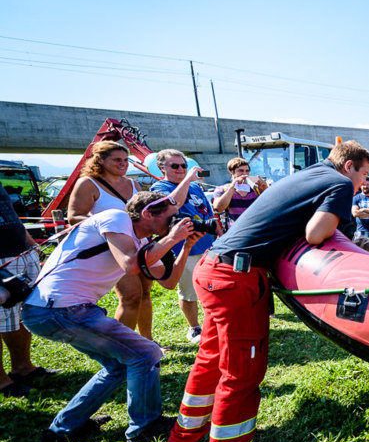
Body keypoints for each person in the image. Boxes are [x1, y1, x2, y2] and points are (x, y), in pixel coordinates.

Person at [164, 141, 369, 442]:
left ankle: (185, 438)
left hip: (214, 268)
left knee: (210, 359)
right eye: (364, 175)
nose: (362, 184)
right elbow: (315, 233)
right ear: (350, 166)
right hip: (237, 279)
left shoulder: (305, 175)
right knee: (241, 375)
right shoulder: (338, 184)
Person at [22, 192, 200, 442]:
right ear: (148, 213)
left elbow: (169, 281)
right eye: (171, 218)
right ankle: (146, 426)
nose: (176, 222)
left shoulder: (139, 242)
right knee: (146, 354)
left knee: (118, 366)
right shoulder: (116, 218)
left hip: (54, 311)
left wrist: (187, 245)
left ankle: (62, 430)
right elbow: (130, 265)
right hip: (61, 308)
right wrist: (172, 237)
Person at [68, 142, 151, 337]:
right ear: (100, 160)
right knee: (130, 297)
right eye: (117, 160)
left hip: (140, 243)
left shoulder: (133, 184)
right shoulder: (88, 183)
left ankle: (147, 341)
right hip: (112, 248)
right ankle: (122, 346)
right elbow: (74, 216)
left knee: (145, 295)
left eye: (125, 160)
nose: (123, 164)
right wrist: (109, 226)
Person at [152, 150, 220, 344]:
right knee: (189, 292)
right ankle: (194, 328)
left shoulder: (196, 188)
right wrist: (187, 180)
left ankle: (213, 323)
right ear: (162, 168)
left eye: (184, 165)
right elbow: (172, 205)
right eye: (175, 166)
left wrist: (221, 237)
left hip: (209, 246)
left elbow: (208, 213)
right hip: (185, 248)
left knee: (213, 287)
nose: (181, 169)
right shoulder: (160, 187)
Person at [0, 184, 56, 398]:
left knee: (21, 312)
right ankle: (1, 381)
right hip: (2, 258)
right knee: (1, 318)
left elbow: (9, 213)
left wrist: (29, 242)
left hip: (20, 251)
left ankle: (23, 367)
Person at [212, 157, 267, 229]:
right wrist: (232, 188)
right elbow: (218, 208)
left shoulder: (256, 189)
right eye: (240, 171)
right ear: (231, 171)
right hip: (235, 233)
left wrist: (266, 189)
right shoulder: (222, 189)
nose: (244, 174)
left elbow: (272, 207)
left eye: (247, 171)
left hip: (256, 231)